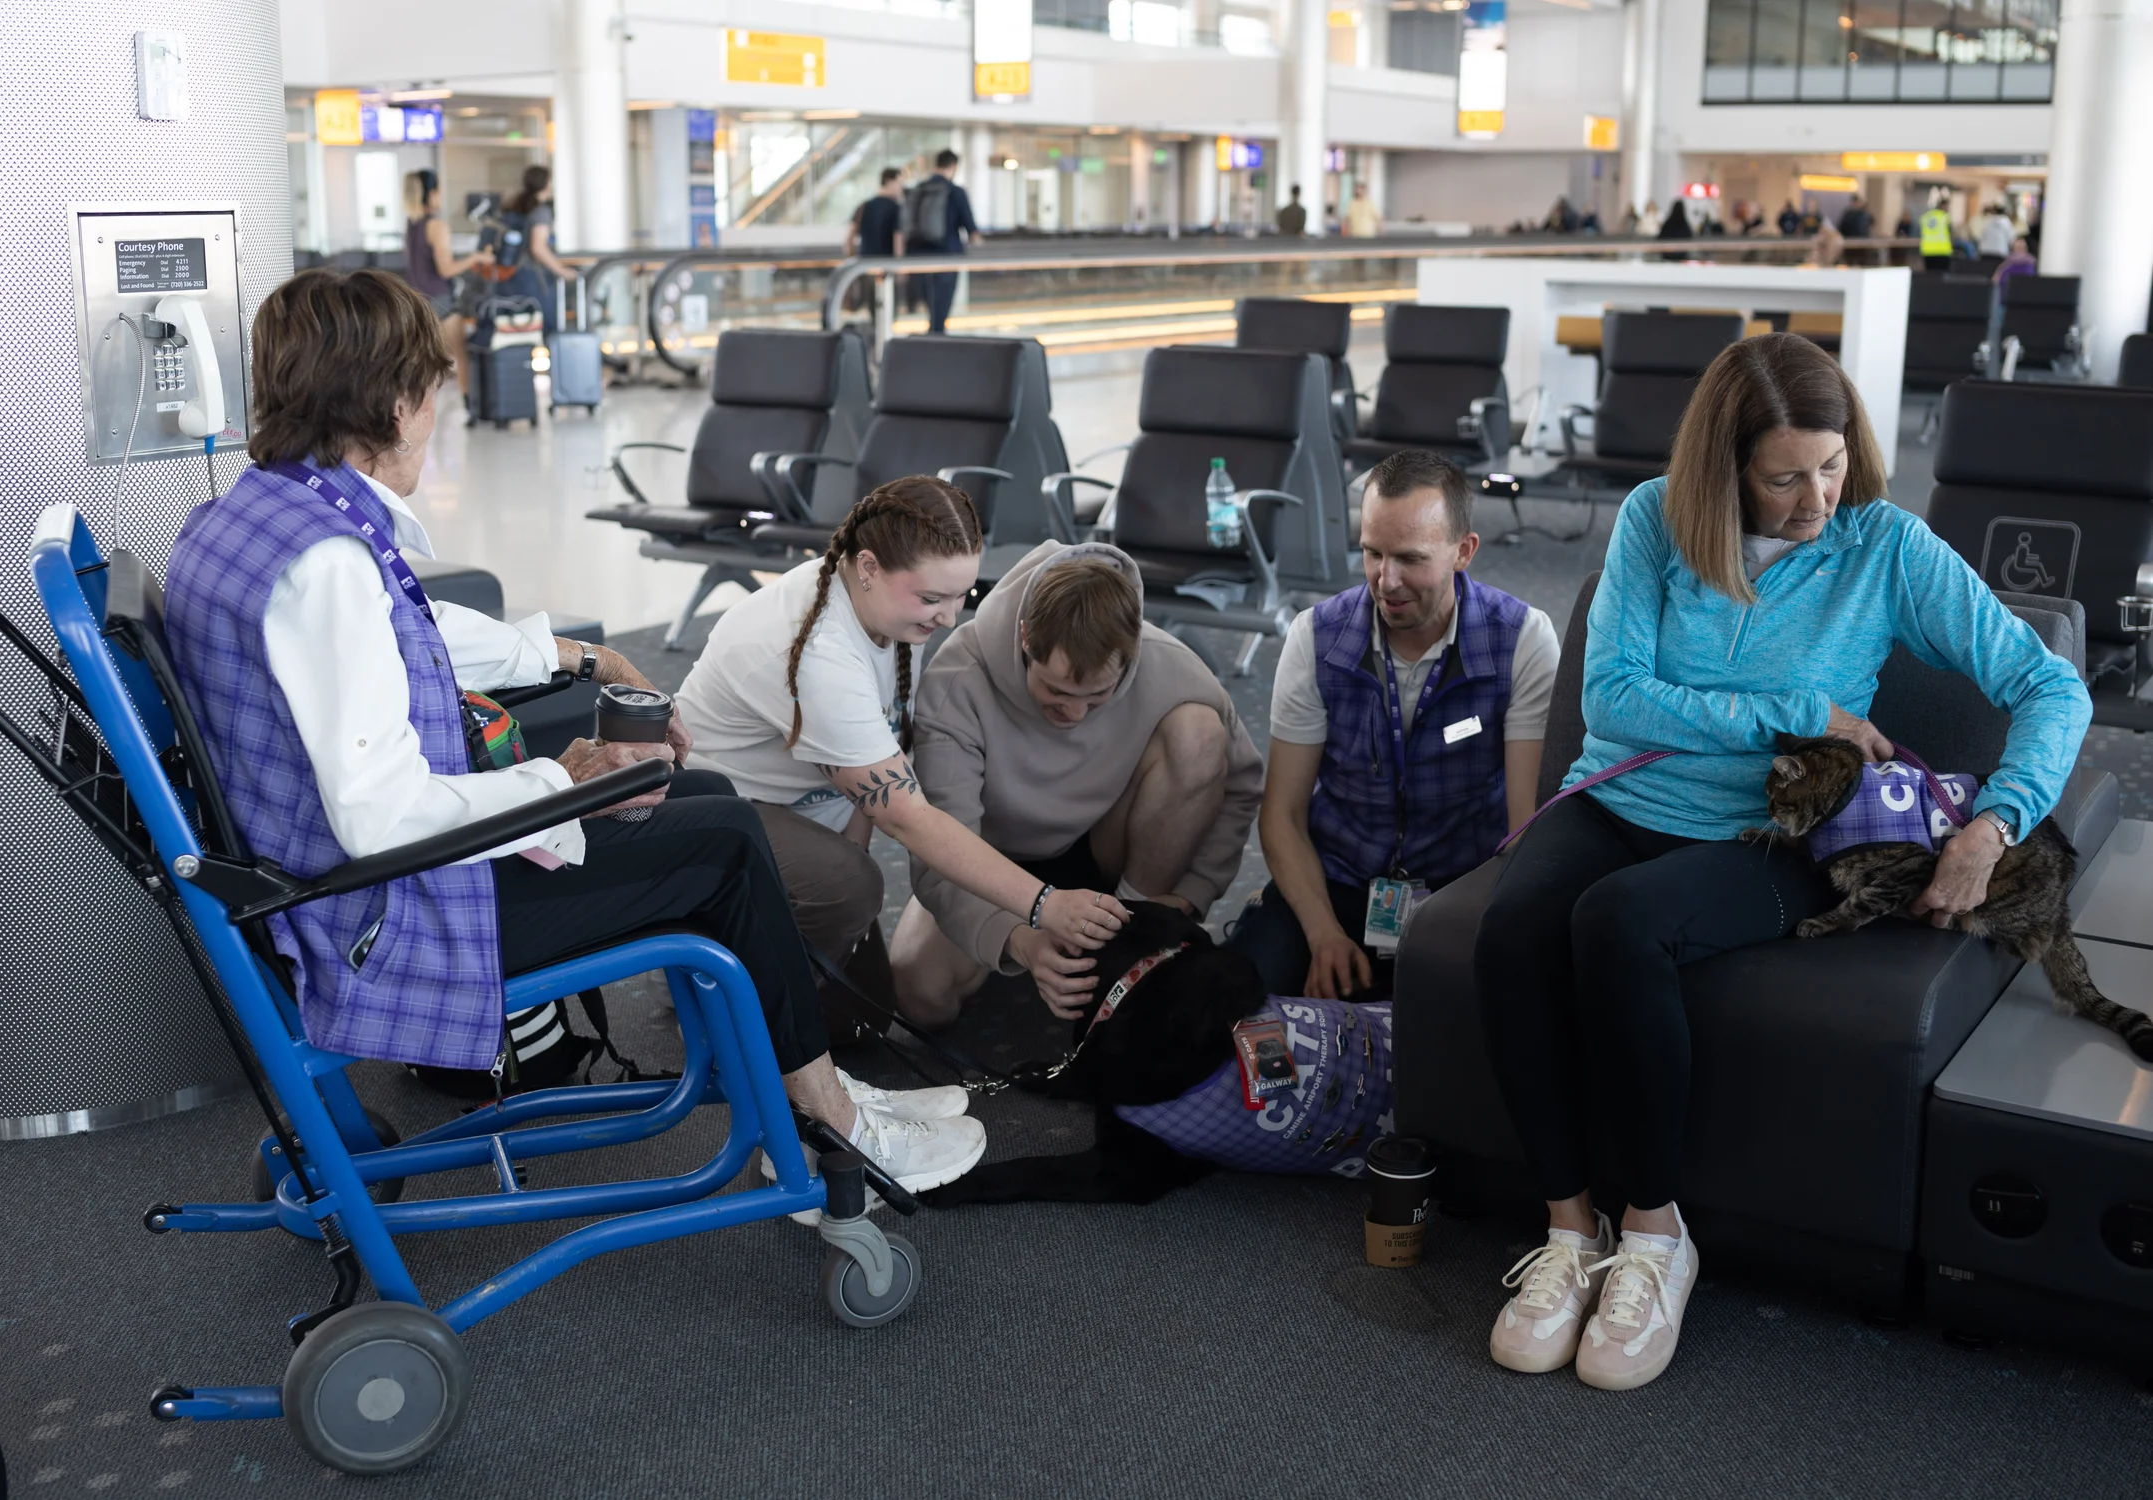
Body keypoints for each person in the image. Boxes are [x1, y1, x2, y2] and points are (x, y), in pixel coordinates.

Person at [157, 267, 987, 1191]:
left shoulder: (248, 518)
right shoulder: (330, 566)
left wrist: (571, 658)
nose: (439, 416)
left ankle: (806, 1082)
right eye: (436, 393)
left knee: (702, 796)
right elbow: (378, 817)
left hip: (325, 891)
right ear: (397, 404)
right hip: (388, 917)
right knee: (725, 841)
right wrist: (565, 780)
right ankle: (827, 1121)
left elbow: (398, 646)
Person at [1475, 332, 2089, 1391]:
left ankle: (1656, 1237)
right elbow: (1612, 696)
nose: (1819, 501)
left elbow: (2053, 689)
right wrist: (1807, 711)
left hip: (1773, 832)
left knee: (1618, 925)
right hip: (1622, 797)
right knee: (1508, 929)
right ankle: (1569, 1233)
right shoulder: (1656, 520)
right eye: (1786, 478)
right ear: (1726, 470)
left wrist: (1994, 824)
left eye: (1835, 465)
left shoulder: (1884, 546)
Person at [676, 479, 1132, 1012]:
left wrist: (849, 867)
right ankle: (715, 1003)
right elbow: (905, 816)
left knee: (863, 1016)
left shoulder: (883, 611)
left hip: (798, 815)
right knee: (848, 886)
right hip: (709, 815)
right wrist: (1044, 905)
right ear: (868, 567)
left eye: (962, 595)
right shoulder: (818, 650)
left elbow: (878, 752)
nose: (949, 617)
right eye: (933, 598)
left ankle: (763, 976)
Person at [890, 542, 1266, 1024]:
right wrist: (1023, 941)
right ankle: (1044, 957)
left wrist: (1192, 893)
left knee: (1199, 732)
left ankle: (1132, 930)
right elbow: (937, 852)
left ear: (1129, 657)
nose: (1073, 713)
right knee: (920, 997)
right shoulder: (957, 681)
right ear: (1026, 638)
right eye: (1055, 691)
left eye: (1098, 696)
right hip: (994, 862)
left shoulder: (1171, 664)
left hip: (1108, 844)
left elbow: (1239, 786)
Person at [1231, 449, 1557, 1000]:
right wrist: (1322, 934)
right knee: (1236, 1000)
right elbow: (1283, 814)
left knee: (1485, 1019)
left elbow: (1523, 832)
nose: (1387, 580)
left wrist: (1453, 936)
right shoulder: (1315, 637)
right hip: (1336, 876)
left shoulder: (1522, 640)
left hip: (1463, 883)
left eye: (1410, 558)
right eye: (1372, 553)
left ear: (1464, 551)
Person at [401, 171, 492, 407]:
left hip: (418, 298)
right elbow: (446, 269)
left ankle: (417, 408)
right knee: (460, 355)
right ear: (431, 194)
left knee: (425, 361)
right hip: (440, 298)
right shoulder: (437, 225)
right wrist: (476, 257)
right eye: (439, 191)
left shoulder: (412, 224)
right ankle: (469, 405)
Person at [902, 150, 980, 334]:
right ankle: (937, 341)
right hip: (947, 256)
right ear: (953, 166)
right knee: (941, 310)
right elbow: (972, 231)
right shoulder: (956, 192)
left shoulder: (918, 189)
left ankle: (932, 340)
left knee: (931, 306)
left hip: (919, 258)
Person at [494, 164, 574, 338]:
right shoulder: (541, 211)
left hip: (512, 278)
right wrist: (561, 270)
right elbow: (537, 247)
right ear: (546, 184)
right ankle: (553, 365)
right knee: (548, 328)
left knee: (521, 330)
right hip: (534, 278)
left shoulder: (516, 206)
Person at [845, 167, 906, 260]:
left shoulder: (864, 206)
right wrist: (900, 270)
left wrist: (852, 261)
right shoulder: (896, 209)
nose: (901, 188)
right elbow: (898, 241)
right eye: (899, 183)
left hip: (864, 265)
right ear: (889, 181)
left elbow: (849, 239)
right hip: (886, 265)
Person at [1919, 189, 1955, 272]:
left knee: (1930, 276)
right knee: (1941, 278)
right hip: (1942, 251)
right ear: (1943, 206)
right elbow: (1951, 233)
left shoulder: (1926, 216)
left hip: (1927, 251)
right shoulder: (1945, 217)